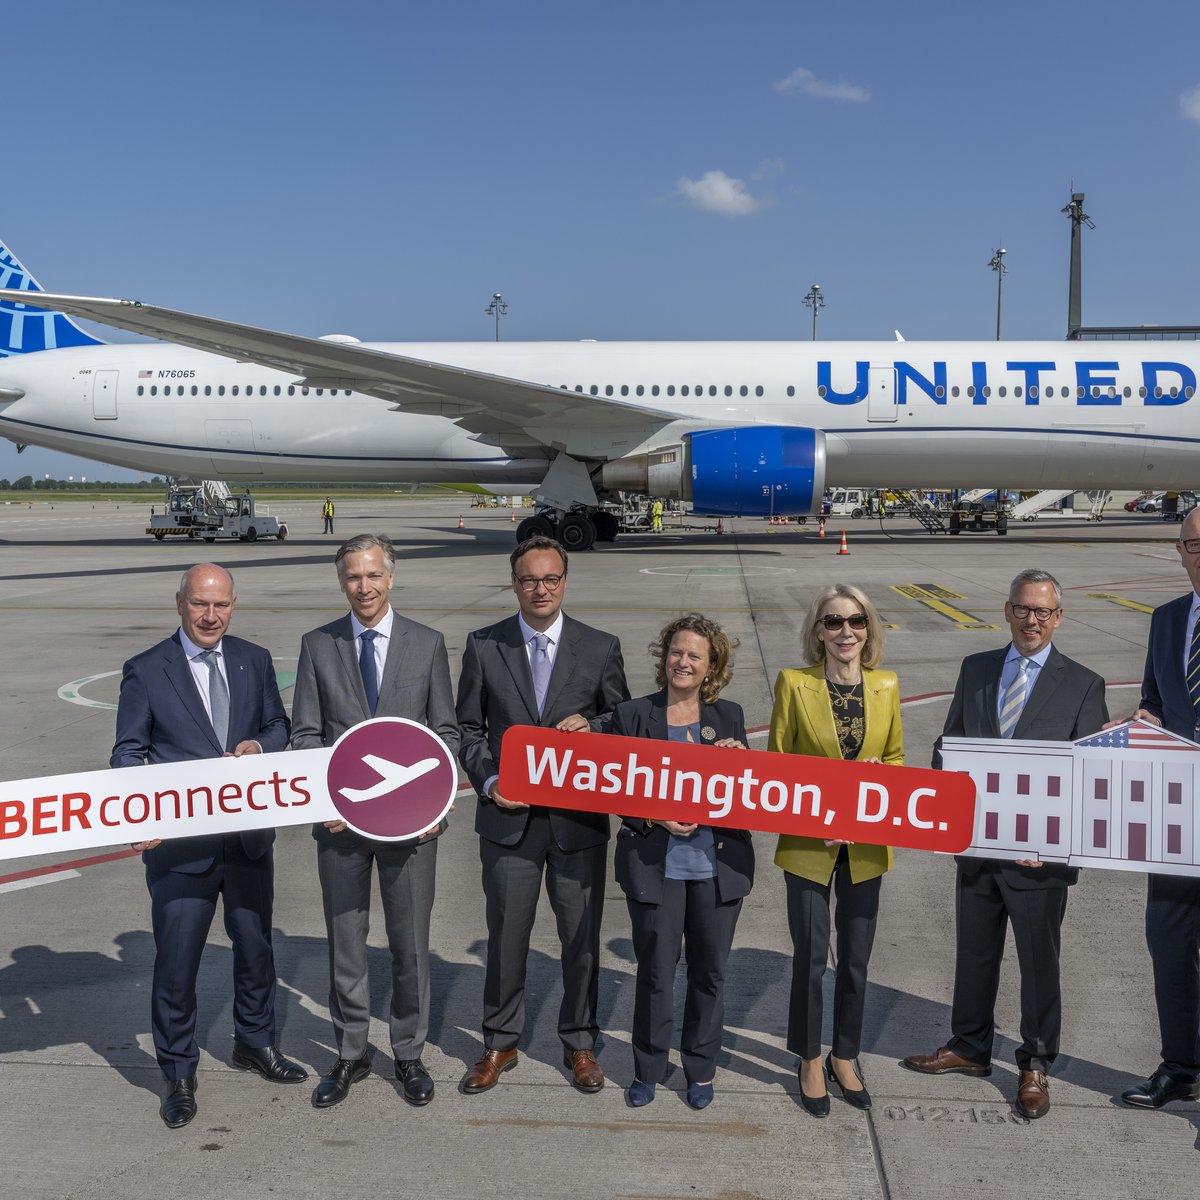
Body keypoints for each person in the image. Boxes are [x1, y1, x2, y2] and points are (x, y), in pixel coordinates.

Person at [903, 568, 1108, 1121]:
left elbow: (1092, 779)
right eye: (1022, 608)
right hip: (978, 846)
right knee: (974, 951)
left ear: (1058, 617)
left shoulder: (1083, 683)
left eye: (1042, 611)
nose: (1031, 619)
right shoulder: (977, 669)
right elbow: (948, 746)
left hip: (1038, 857)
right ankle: (969, 1046)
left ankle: (1036, 1061)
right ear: (1008, 611)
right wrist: (948, 814)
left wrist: (1056, 842)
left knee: (1039, 961)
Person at [110, 564, 306, 1130]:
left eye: (220, 605)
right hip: (181, 847)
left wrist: (259, 746)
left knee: (256, 949)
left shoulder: (254, 659)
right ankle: (176, 1072)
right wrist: (135, 811)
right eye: (200, 604)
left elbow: (278, 724)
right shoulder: (147, 670)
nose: (210, 616)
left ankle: (256, 1042)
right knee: (177, 965)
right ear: (179, 603)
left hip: (246, 838)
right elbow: (128, 752)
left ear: (233, 606)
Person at [456, 535, 629, 1094]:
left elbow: (620, 721)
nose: (540, 589)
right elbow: (467, 730)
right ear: (514, 584)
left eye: (550, 579)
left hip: (577, 824)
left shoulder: (600, 646)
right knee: (506, 935)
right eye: (529, 579)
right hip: (510, 822)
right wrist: (488, 779)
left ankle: (580, 1043)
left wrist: (594, 727)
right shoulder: (485, 646)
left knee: (581, 938)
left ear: (565, 582)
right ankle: (499, 1043)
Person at [291, 533, 459, 1109]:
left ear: (391, 577)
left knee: (410, 944)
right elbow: (305, 734)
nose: (364, 587)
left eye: (373, 576)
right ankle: (351, 1052)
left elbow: (447, 733)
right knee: (346, 943)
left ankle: (408, 1052)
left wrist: (435, 801)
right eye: (353, 578)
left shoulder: (427, 642)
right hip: (340, 827)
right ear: (342, 582)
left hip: (411, 829)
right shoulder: (319, 645)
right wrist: (323, 800)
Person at [769, 584, 902, 1118]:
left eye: (856, 621)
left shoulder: (886, 685)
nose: (846, 631)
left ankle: (845, 1054)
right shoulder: (795, 684)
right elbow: (778, 766)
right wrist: (815, 820)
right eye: (833, 622)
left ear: (868, 630)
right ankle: (808, 1057)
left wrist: (879, 776)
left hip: (867, 845)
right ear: (817, 630)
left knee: (856, 960)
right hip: (809, 845)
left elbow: (895, 758)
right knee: (809, 957)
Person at [611, 614, 753, 1110]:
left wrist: (742, 764)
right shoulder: (633, 715)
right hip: (656, 866)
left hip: (717, 869)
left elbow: (754, 796)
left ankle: (700, 1069)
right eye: (676, 651)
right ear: (663, 656)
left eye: (695, 654)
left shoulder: (729, 716)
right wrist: (654, 816)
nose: (683, 662)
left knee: (709, 974)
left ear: (712, 665)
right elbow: (611, 784)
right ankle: (649, 1068)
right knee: (655, 972)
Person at [1116, 508, 1200, 1109]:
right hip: (1176, 816)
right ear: (1179, 551)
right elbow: (1155, 698)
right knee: (1168, 942)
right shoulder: (1169, 619)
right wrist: (1146, 720)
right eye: (1194, 544)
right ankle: (1180, 1065)